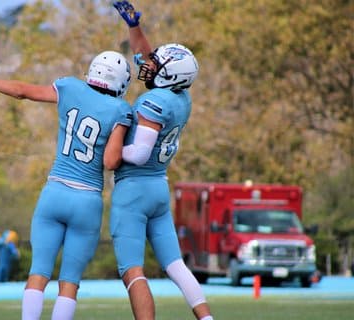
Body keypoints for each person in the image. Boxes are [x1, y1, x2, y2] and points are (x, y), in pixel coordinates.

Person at [0, 50, 132, 320]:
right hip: (87, 199)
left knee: (38, 273)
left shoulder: (70, 87)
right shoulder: (121, 110)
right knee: (70, 282)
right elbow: (111, 162)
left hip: (55, 192)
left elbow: (21, 91)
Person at [111, 1, 214, 320]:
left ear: (168, 75)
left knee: (132, 269)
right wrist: (133, 27)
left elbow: (139, 154)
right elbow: (147, 55)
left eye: (156, 64)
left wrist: (112, 151)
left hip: (135, 190)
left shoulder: (154, 100)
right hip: (158, 187)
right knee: (175, 264)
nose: (148, 65)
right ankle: (207, 318)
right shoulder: (181, 97)